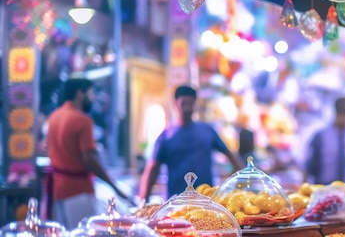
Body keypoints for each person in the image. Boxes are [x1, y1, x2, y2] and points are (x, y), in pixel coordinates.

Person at [46, 78, 130, 228]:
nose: (93, 98)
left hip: (57, 189)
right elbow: (89, 159)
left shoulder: (54, 117)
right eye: (91, 93)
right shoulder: (82, 120)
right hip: (78, 191)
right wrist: (114, 186)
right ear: (80, 93)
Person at [139, 86, 243, 200]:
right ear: (175, 104)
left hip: (207, 200)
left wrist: (242, 182)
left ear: (195, 104)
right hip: (175, 203)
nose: (187, 108)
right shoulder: (166, 136)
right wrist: (144, 200)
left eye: (190, 104)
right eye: (184, 103)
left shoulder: (207, 131)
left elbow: (230, 154)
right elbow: (153, 169)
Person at [305, 97, 345, 184]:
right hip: (323, 184)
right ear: (336, 113)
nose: (343, 119)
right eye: (341, 115)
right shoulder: (321, 135)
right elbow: (311, 163)